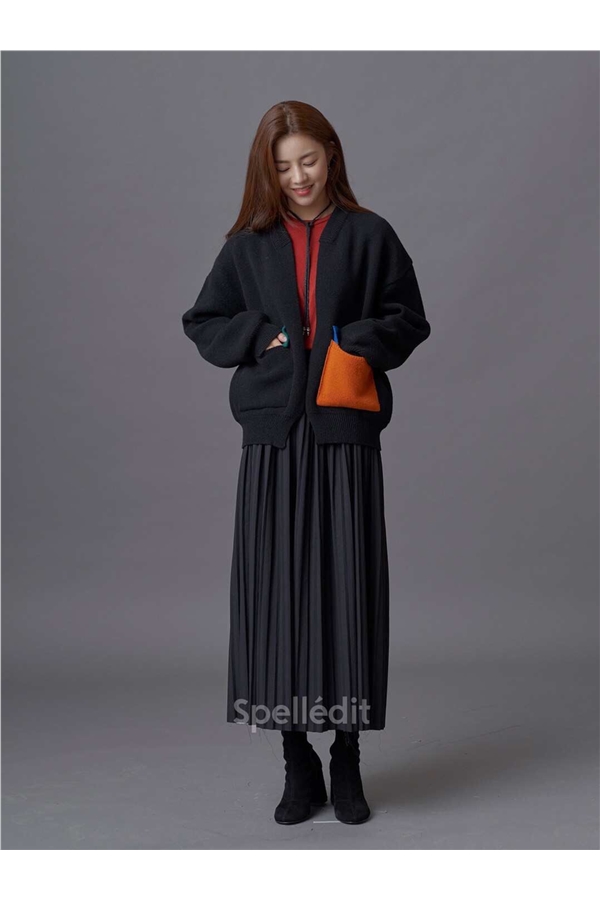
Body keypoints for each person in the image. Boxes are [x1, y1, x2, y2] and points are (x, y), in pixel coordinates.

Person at [182, 100, 431, 826]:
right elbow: (203, 319)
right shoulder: (247, 245)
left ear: (332, 156)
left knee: (348, 589)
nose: (298, 177)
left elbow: (409, 317)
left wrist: (353, 344)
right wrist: (257, 336)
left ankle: (347, 756)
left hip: (345, 433)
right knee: (275, 596)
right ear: (268, 170)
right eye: (283, 166)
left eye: (309, 161)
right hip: (273, 438)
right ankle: (297, 761)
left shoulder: (370, 234)